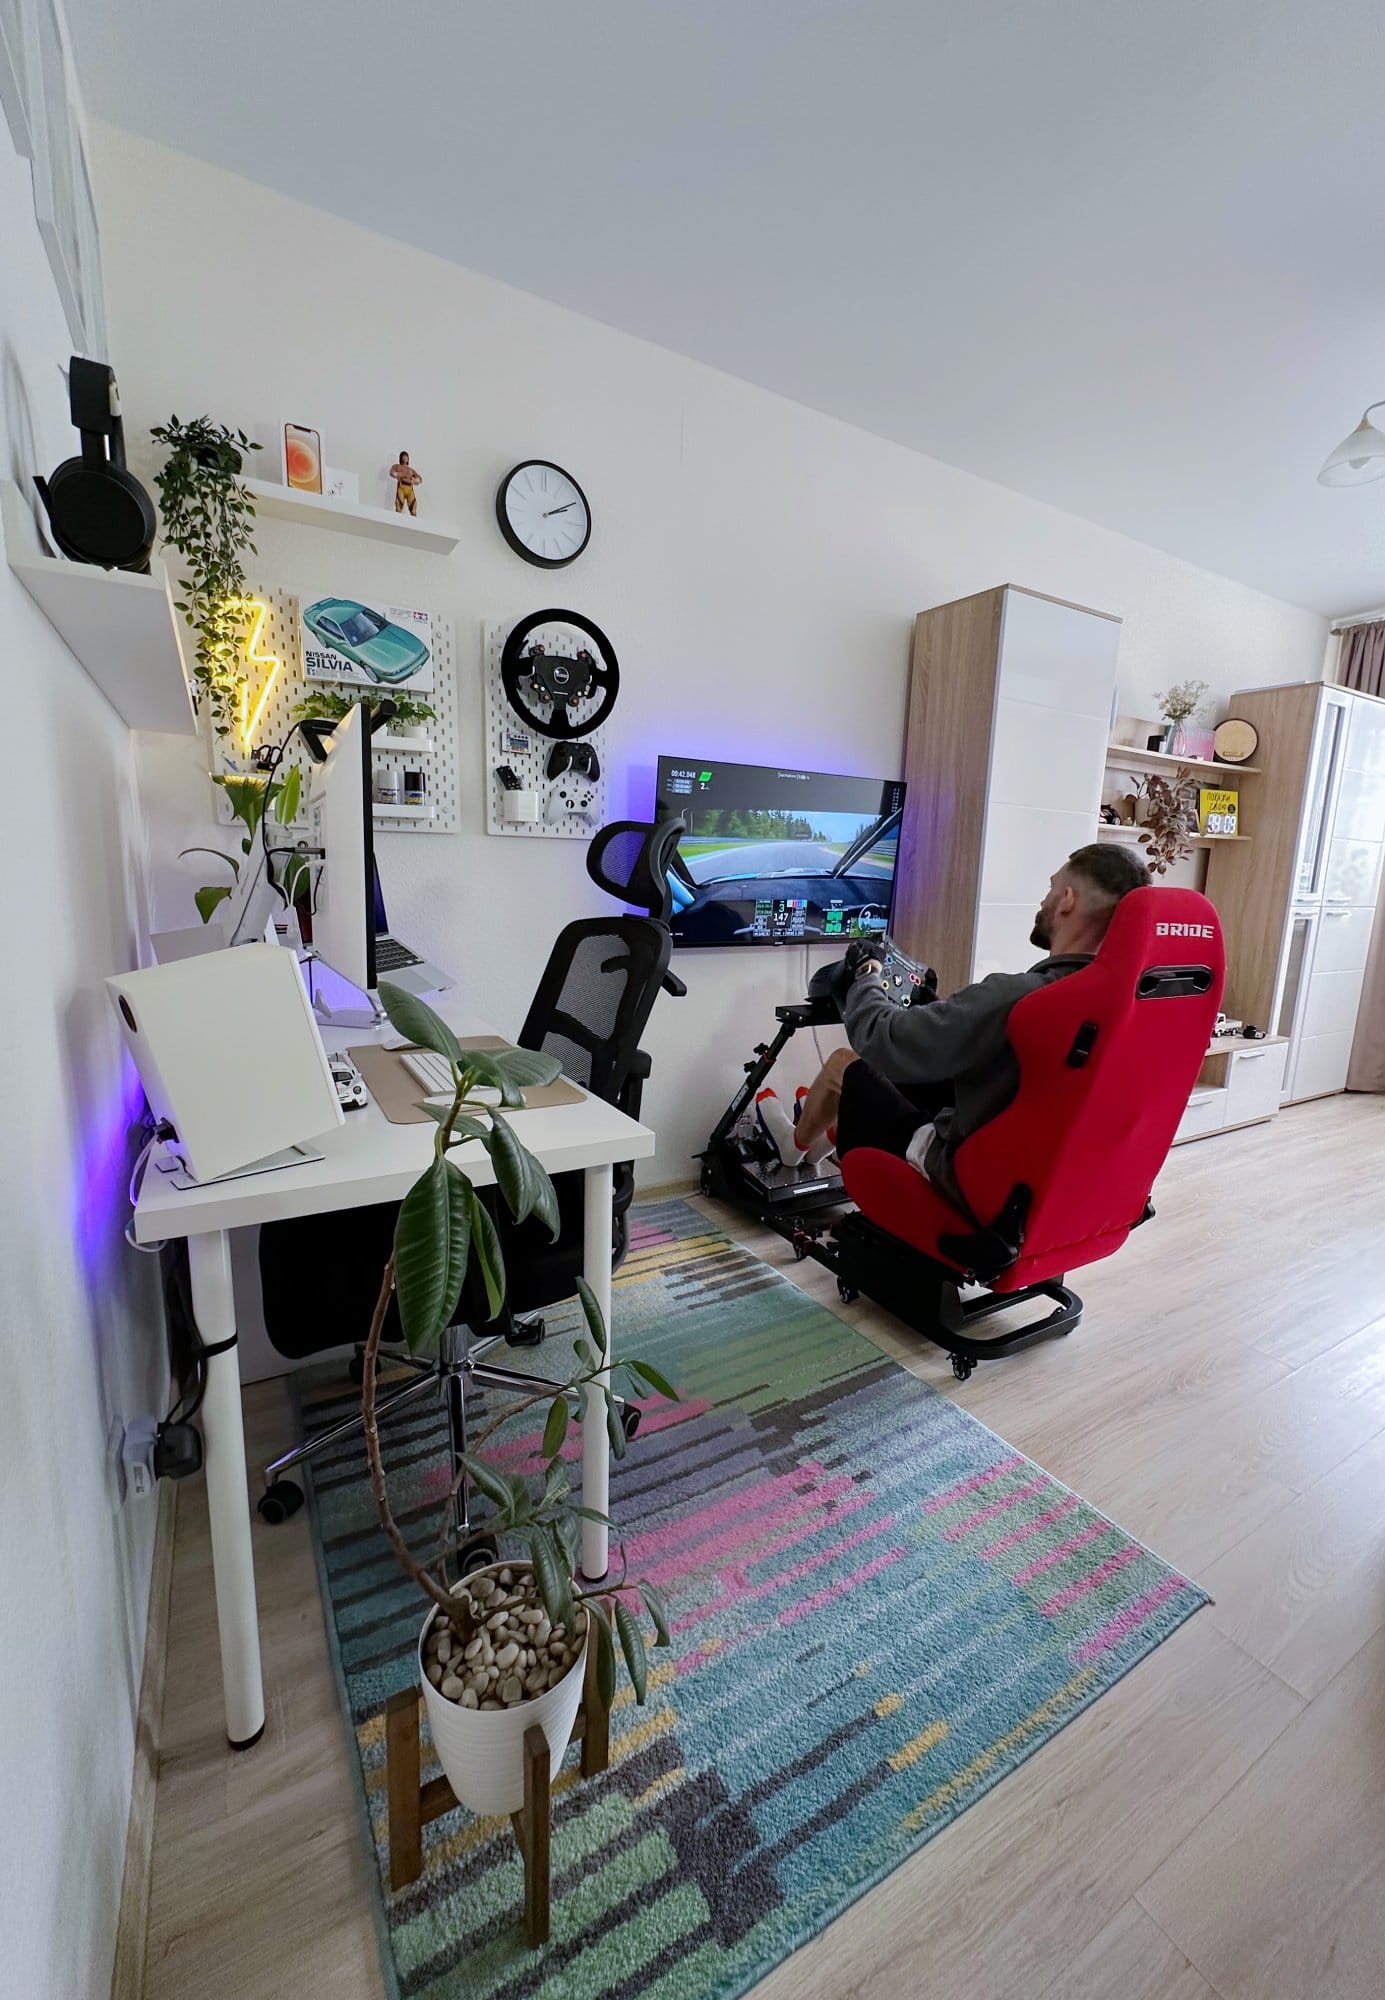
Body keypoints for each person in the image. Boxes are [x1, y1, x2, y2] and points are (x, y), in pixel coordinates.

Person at [754, 843, 1152, 1213]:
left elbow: (884, 1037)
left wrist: (865, 977)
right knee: (875, 1083)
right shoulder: (1128, 1001)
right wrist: (934, 1008)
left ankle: (792, 1148)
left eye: (1052, 889)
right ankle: (808, 1142)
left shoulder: (1026, 996)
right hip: (1052, 1181)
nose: (1044, 900)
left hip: (965, 1171)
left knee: (847, 1065)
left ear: (1067, 901)